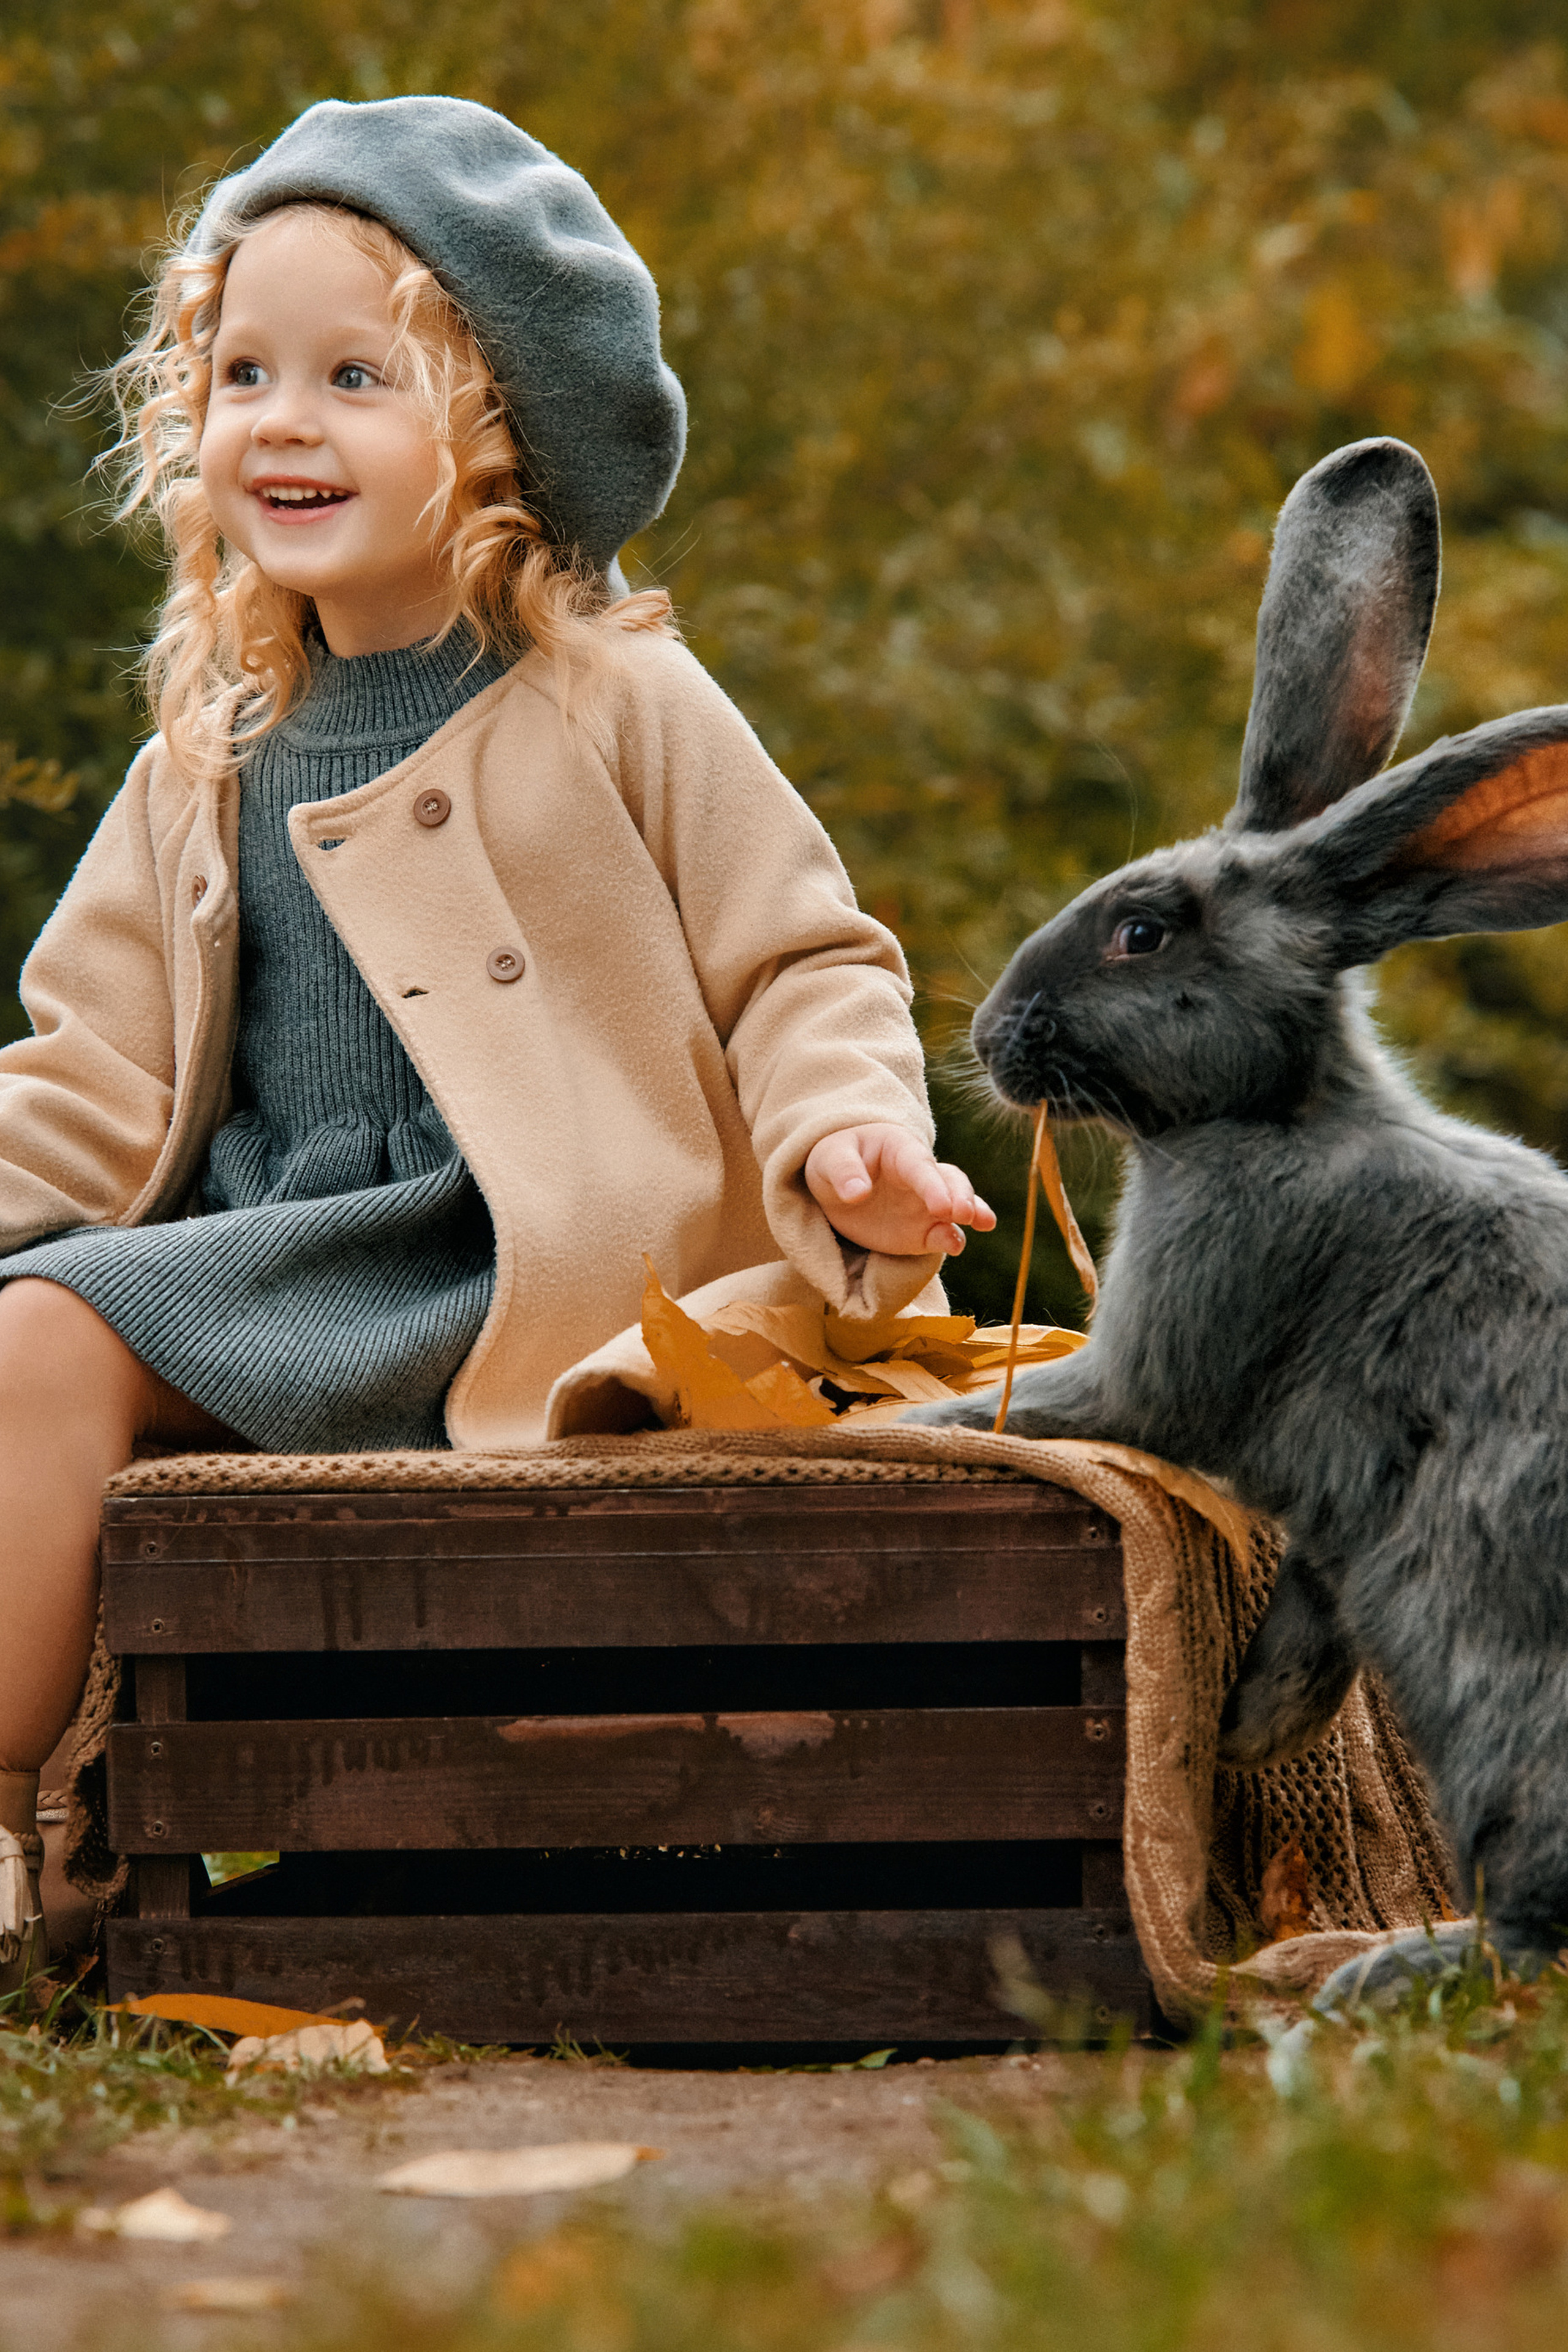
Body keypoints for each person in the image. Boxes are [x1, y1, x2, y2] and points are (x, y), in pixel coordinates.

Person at [0, 96, 995, 1989]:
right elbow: (89, 1075)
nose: (281, 420)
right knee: (37, 1337)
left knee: (49, 1330)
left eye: (357, 374)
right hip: (285, 1264)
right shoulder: (201, 754)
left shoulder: (615, 698)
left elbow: (806, 959)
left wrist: (850, 1132)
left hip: (537, 1264)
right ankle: (24, 1843)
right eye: (242, 371)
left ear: (498, 427)